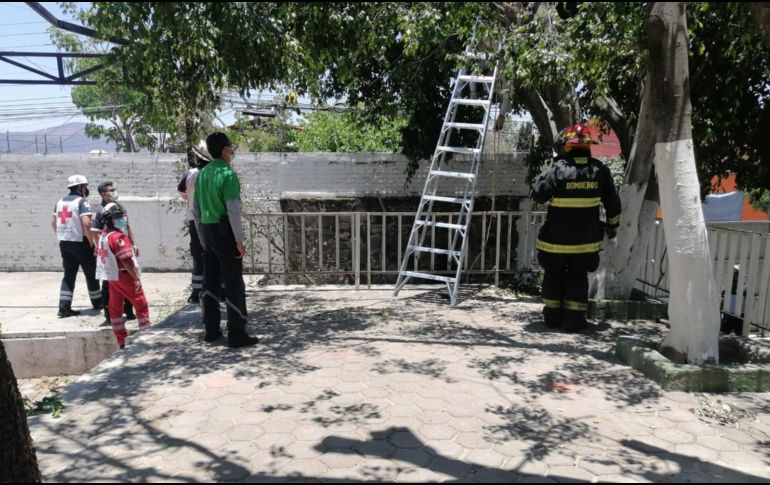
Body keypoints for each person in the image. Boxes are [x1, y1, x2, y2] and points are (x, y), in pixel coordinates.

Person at [531, 123, 621, 331]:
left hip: (556, 241)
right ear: (588, 146)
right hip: (585, 242)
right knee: (578, 277)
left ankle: (553, 317)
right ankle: (573, 320)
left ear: (567, 146)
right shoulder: (600, 171)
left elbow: (538, 192)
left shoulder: (558, 169)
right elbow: (613, 204)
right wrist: (612, 226)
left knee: (553, 275)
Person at [192, 132, 259, 348]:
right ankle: (237, 332)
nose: (232, 150)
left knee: (210, 281)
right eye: (230, 147)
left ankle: (211, 329)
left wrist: (202, 237)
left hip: (208, 233)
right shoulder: (227, 175)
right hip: (225, 232)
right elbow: (232, 210)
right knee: (233, 283)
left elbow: (196, 210)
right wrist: (239, 240)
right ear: (224, 150)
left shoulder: (203, 174)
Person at [95, 203, 151, 349]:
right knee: (140, 303)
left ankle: (121, 340)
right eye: (117, 216)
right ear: (109, 219)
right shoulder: (118, 237)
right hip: (125, 276)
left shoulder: (103, 236)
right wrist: (136, 278)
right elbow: (125, 260)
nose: (121, 218)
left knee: (115, 308)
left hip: (112, 277)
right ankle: (146, 335)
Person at [52, 175, 103, 317]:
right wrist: (91, 241)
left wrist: (62, 236)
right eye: (85, 186)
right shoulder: (82, 202)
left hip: (64, 243)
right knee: (91, 273)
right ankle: (98, 302)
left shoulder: (60, 202)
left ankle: (64, 307)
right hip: (81, 242)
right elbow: (86, 223)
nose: (86, 189)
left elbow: (53, 222)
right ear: (80, 187)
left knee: (68, 275)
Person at [91, 181, 136, 323]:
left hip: (123, 248)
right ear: (104, 194)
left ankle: (129, 311)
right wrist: (102, 250)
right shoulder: (99, 211)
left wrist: (134, 244)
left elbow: (127, 227)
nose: (115, 192)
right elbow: (96, 233)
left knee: (129, 278)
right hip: (110, 253)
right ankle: (109, 315)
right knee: (108, 283)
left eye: (115, 189)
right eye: (111, 190)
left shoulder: (120, 208)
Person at [178, 141, 211, 303]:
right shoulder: (213, 173)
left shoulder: (189, 174)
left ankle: (196, 292)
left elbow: (181, 191)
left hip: (193, 219)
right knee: (215, 254)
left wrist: (189, 199)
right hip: (212, 219)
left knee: (198, 256)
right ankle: (217, 289)